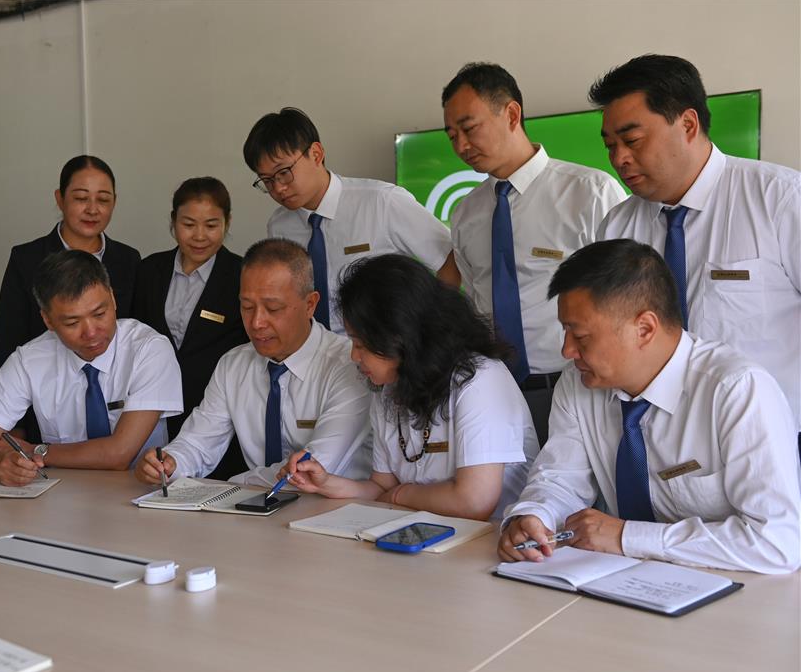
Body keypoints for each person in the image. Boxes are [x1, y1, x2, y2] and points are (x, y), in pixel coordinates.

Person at [498, 239, 801, 574]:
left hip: (736, 585)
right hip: (619, 581)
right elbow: (560, 480)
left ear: (644, 329)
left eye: (580, 337)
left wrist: (627, 536)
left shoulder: (736, 391)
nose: (567, 351)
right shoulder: (578, 384)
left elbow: (777, 542)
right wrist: (533, 515)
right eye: (565, 331)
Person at [591, 54, 801, 447]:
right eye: (610, 145)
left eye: (632, 141)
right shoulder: (617, 227)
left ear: (687, 124)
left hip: (774, 438)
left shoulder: (780, 199)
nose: (619, 158)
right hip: (661, 442)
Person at [441, 62, 627, 446]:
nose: (460, 146)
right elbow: (476, 301)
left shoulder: (589, 193)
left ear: (511, 114)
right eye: (452, 135)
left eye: (469, 129)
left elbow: (624, 294)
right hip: (493, 392)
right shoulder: (466, 212)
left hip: (574, 388)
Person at [279, 254, 539, 520]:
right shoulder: (390, 386)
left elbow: (473, 502)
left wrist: (400, 496)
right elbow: (381, 487)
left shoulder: (479, 380)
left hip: (492, 537)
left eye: (361, 344)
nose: (354, 356)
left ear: (401, 337)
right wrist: (325, 482)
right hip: (424, 531)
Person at [134, 238, 371, 488]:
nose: (257, 323)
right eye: (247, 307)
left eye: (273, 308)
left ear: (310, 305)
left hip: (336, 506)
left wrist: (237, 484)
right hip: (258, 504)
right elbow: (199, 442)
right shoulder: (233, 365)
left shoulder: (349, 365)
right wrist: (169, 464)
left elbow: (311, 469)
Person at [0, 250, 182, 486]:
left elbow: (118, 454)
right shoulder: (29, 360)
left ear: (113, 299)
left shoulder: (149, 349)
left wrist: (38, 451)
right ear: (48, 320)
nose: (91, 332)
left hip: (139, 492)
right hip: (62, 493)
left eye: (99, 314)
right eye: (72, 322)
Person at [242, 107, 460, 334]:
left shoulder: (381, 202)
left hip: (380, 344)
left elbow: (450, 260)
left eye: (284, 173)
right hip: (314, 347)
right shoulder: (280, 225)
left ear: (316, 154)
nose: (278, 188)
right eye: (267, 181)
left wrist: (430, 326)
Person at [0, 155, 141, 441]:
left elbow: (135, 335)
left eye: (103, 199)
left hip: (115, 405)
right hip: (46, 406)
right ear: (60, 199)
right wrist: (15, 423)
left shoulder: (128, 260)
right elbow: (9, 340)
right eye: (81, 198)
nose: (92, 209)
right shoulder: (27, 259)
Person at [133, 177, 249, 479]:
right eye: (188, 224)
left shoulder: (242, 275)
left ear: (227, 222)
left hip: (218, 418)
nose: (199, 236)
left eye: (211, 225)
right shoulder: (149, 270)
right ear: (173, 222)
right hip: (153, 414)